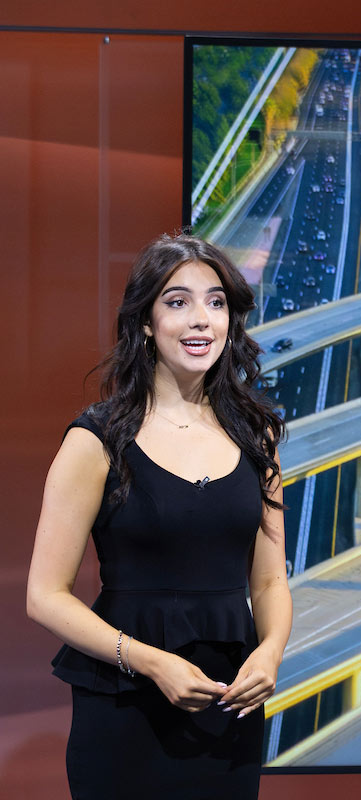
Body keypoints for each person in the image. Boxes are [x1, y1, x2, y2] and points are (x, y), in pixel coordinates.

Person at [26, 233, 292, 798]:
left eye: (215, 302)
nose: (201, 319)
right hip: (125, 708)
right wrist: (151, 663)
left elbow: (269, 581)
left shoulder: (258, 436)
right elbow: (44, 596)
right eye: (177, 302)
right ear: (146, 322)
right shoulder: (96, 440)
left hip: (227, 707)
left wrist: (270, 652)